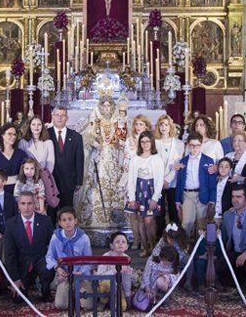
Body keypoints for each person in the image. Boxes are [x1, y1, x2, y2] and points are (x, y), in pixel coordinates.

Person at [82, 97, 126, 229]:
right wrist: (95, 143)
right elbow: (88, 136)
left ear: (112, 107)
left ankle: (116, 216)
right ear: (101, 107)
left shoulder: (118, 121)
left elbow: (123, 139)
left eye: (109, 106)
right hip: (100, 157)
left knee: (115, 182)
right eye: (104, 106)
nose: (106, 108)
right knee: (98, 182)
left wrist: (120, 143)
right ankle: (98, 217)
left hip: (114, 157)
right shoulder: (96, 121)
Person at [3, 191, 55, 303]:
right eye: (23, 203)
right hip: (22, 264)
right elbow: (9, 254)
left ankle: (45, 287)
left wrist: (55, 263)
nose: (26, 207)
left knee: (47, 270)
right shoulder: (11, 224)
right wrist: (15, 279)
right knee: (18, 300)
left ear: (35, 204)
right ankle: (27, 283)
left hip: (41, 260)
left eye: (30, 203)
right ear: (18, 205)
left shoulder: (46, 221)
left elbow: (53, 245)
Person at [45, 206, 94, 310]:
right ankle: (67, 291)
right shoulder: (56, 237)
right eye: (64, 220)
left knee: (88, 306)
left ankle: (79, 291)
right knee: (61, 305)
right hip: (65, 275)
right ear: (60, 223)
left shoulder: (84, 238)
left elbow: (89, 260)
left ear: (75, 221)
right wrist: (57, 268)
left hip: (81, 275)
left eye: (70, 219)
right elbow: (49, 256)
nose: (67, 223)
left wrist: (82, 272)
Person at [127, 132, 165, 256]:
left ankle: (153, 246)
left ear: (152, 142)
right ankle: (144, 247)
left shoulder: (157, 158)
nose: (145, 144)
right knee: (141, 220)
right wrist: (132, 198)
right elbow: (131, 179)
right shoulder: (135, 158)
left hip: (151, 191)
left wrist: (155, 198)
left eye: (147, 141)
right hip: (139, 191)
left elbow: (159, 180)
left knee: (149, 220)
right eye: (142, 142)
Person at [175, 134, 216, 239]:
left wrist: (212, 200)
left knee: (201, 224)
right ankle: (184, 247)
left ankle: (199, 251)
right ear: (188, 145)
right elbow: (179, 182)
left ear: (201, 145)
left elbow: (212, 183)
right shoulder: (183, 161)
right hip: (187, 194)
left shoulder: (208, 161)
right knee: (187, 222)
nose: (195, 148)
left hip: (202, 194)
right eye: (192, 145)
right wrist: (177, 200)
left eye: (197, 145)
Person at [48, 107, 84, 219]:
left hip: (68, 181)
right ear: (52, 116)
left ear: (67, 118)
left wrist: (79, 181)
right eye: (57, 115)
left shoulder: (76, 137)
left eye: (62, 115)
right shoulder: (45, 134)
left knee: (67, 212)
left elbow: (79, 159)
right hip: (50, 182)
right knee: (50, 213)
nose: (59, 117)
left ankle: (66, 235)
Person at [154, 114, 184, 231]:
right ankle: (160, 239)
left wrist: (167, 179)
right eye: (161, 124)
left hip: (173, 181)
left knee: (173, 211)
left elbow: (178, 163)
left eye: (166, 124)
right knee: (159, 213)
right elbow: (154, 163)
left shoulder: (179, 143)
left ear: (171, 126)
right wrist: (161, 180)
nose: (164, 127)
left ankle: (175, 238)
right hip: (158, 182)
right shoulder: (155, 143)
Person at [0, 123, 28, 196]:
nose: (13, 136)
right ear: (2, 135)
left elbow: (26, 174)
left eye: (15, 134)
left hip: (18, 191)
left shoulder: (21, 154)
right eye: (9, 134)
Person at [95, 231, 133, 310]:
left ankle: (112, 301)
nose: (120, 244)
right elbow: (99, 277)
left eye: (123, 242)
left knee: (122, 307)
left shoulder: (126, 258)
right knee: (107, 284)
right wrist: (116, 270)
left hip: (117, 287)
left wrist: (128, 296)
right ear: (111, 245)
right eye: (117, 242)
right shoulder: (106, 257)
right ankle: (102, 301)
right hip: (104, 285)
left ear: (127, 246)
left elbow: (126, 280)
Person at [214, 157, 234, 222]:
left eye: (226, 167)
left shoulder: (233, 183)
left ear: (230, 169)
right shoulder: (214, 182)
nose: (223, 169)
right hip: (213, 215)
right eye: (221, 166)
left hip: (226, 215)